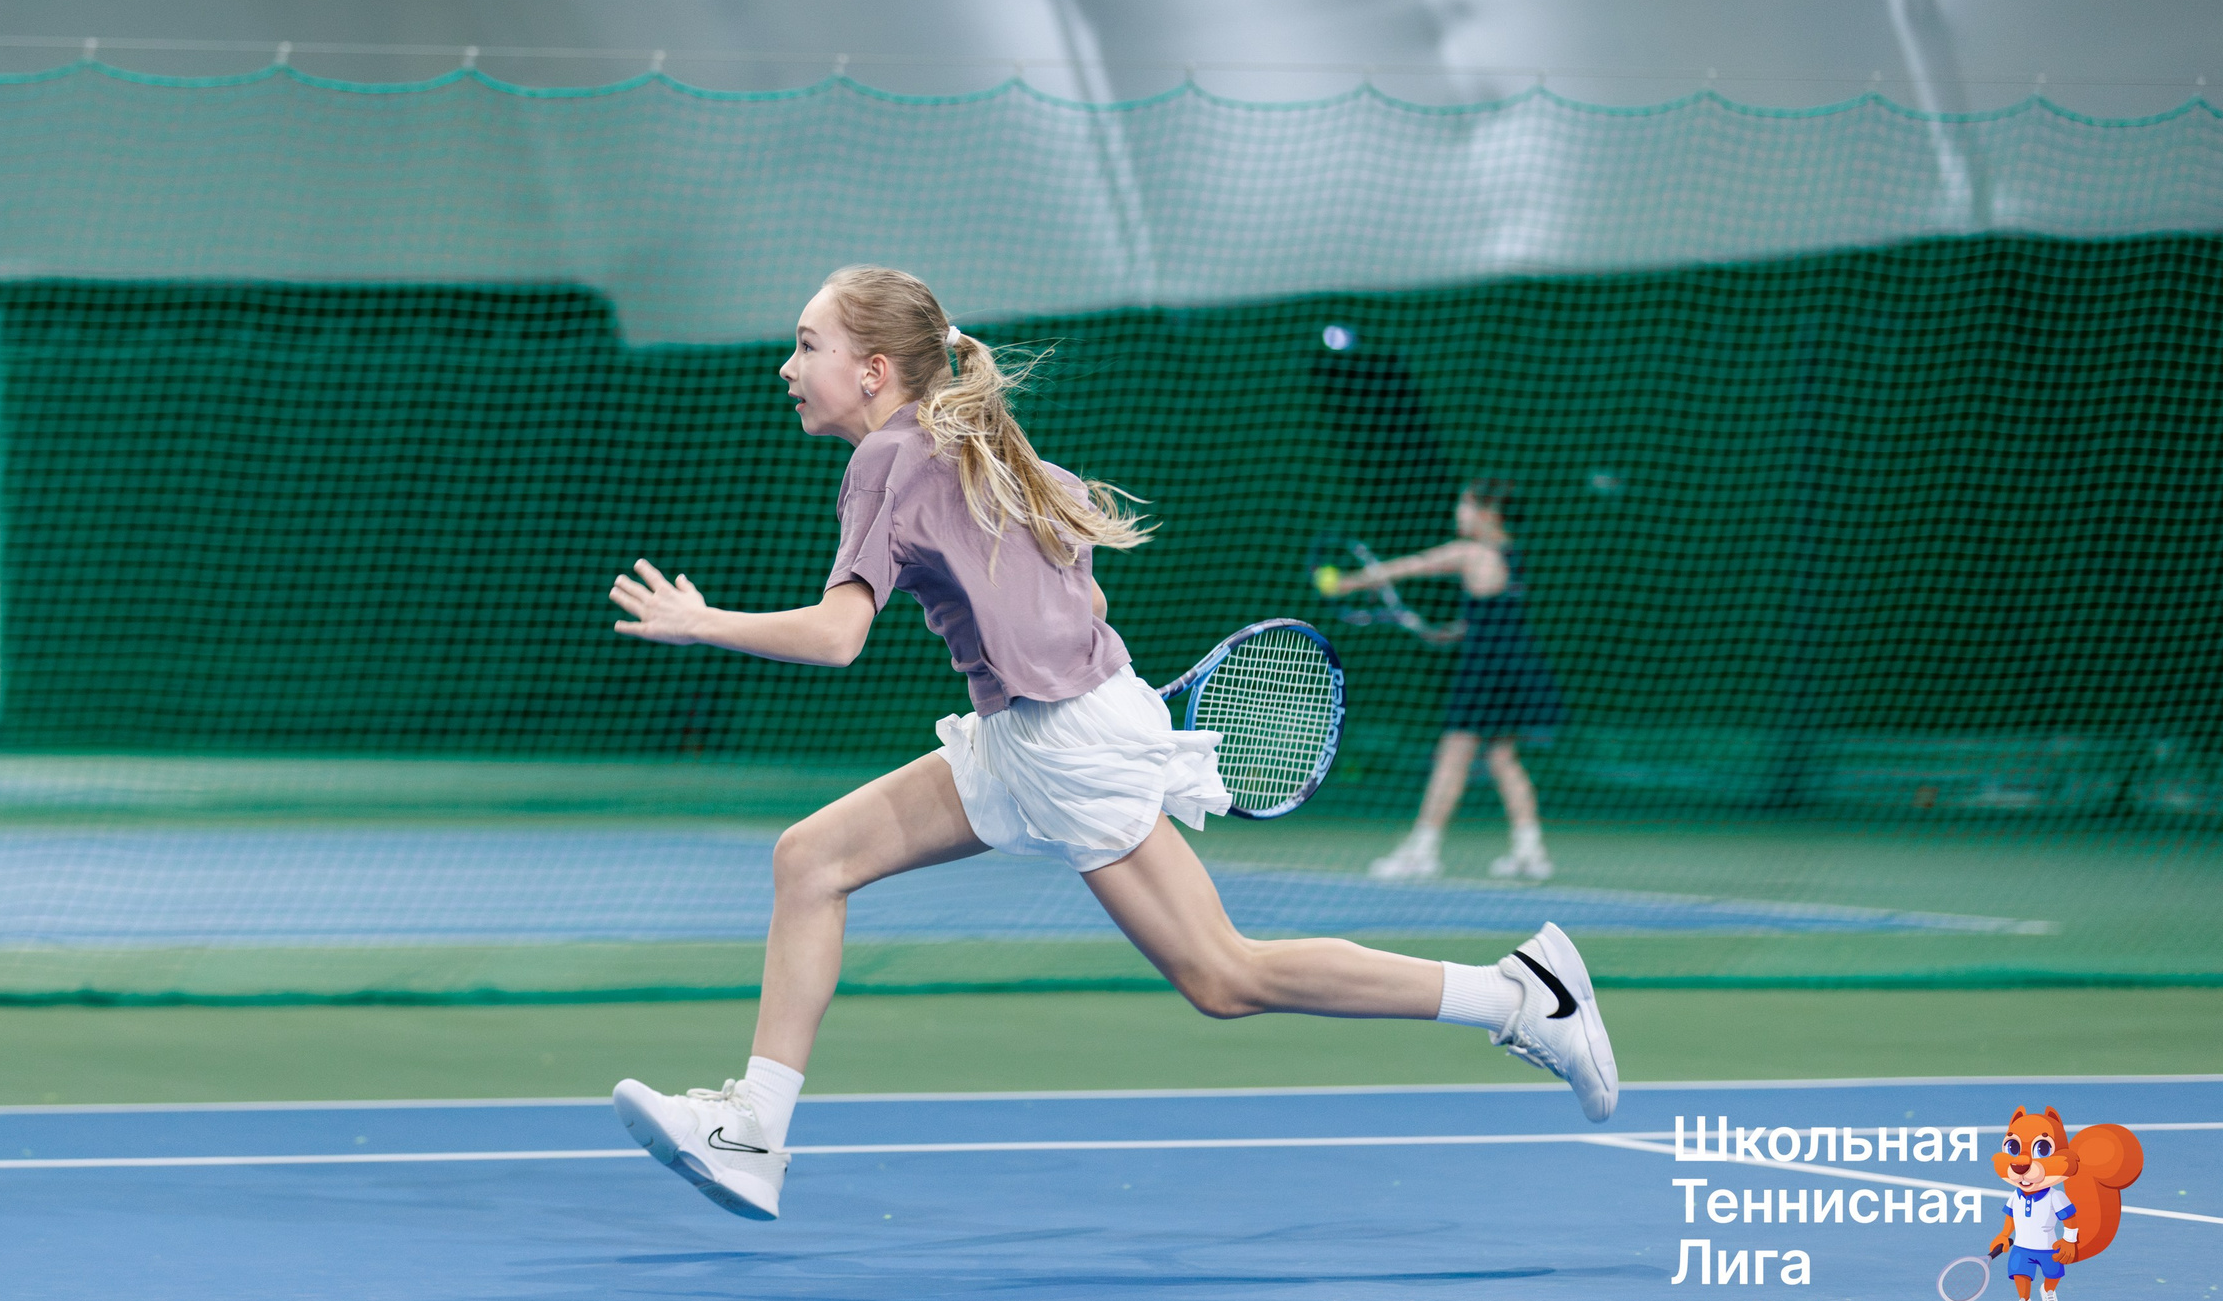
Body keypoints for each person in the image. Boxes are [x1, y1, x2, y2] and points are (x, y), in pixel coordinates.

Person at [604, 268, 1615, 1221]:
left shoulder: (886, 459)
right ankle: (753, 1128)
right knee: (811, 858)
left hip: (1065, 742)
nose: (787, 366)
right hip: (1033, 731)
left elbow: (837, 636)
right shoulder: (979, 443)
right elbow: (1084, 568)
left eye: (805, 343)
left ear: (872, 369)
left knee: (1226, 976)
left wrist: (704, 623)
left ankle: (1522, 995)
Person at [1326, 481, 1564, 882]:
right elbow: (1494, 618)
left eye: (1466, 505)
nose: (1459, 512)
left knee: (1452, 756)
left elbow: (1415, 564)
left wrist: (1351, 581)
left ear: (1488, 513)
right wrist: (1455, 630)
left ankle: (1423, 850)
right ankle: (1530, 851)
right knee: (1503, 758)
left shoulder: (1472, 552)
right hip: (1515, 665)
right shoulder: (1512, 557)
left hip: (1486, 671)